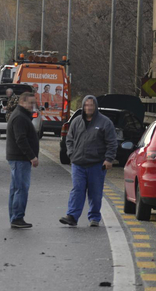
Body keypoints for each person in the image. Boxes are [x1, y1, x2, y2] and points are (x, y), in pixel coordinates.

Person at [59, 95, 118, 227]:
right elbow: (69, 139)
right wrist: (71, 154)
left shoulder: (105, 122)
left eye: (91, 105)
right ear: (83, 106)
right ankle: (72, 216)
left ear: (95, 106)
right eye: (86, 105)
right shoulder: (76, 122)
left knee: (95, 192)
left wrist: (109, 159)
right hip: (78, 163)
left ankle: (94, 217)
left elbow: (112, 143)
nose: (89, 107)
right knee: (77, 190)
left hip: (96, 164)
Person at [6, 93, 40, 229]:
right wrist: (32, 156)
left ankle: (14, 217)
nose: (33, 106)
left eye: (34, 103)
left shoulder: (21, 115)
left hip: (17, 158)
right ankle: (17, 217)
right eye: (30, 103)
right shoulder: (20, 117)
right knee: (21, 188)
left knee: (15, 188)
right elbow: (21, 139)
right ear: (22, 102)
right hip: (20, 158)